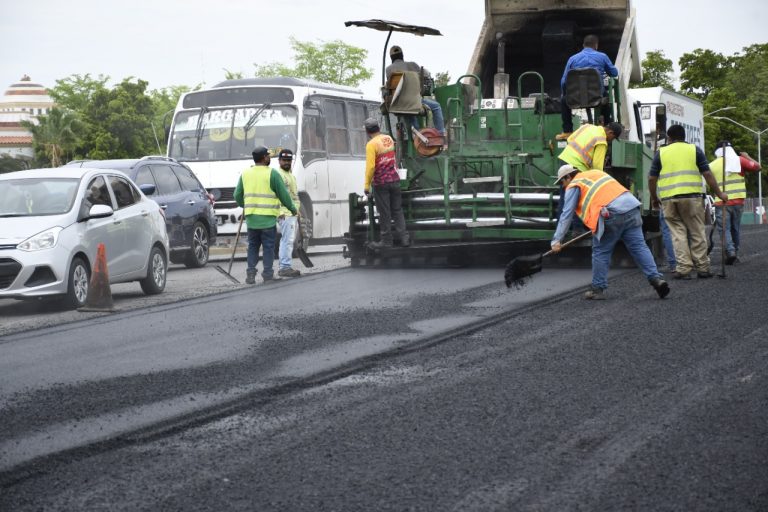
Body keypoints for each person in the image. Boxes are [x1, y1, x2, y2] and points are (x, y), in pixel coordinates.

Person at [551, 164, 670, 300]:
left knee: (601, 251)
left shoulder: (574, 184)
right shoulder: (595, 173)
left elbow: (566, 213)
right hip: (631, 208)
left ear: (568, 176)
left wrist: (557, 239)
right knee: (639, 247)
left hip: (611, 214)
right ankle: (656, 279)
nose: (563, 185)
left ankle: (597, 288)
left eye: (562, 181)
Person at [648, 125, 728, 280]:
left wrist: (654, 198)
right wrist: (720, 193)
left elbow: (652, 178)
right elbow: (707, 174)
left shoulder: (661, 153)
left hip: (669, 199)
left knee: (678, 234)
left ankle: (684, 269)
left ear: (669, 138)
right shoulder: (694, 150)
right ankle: (703, 268)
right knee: (697, 231)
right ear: (684, 137)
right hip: (692, 198)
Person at [234, 146, 297, 284]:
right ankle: (268, 274)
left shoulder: (245, 173)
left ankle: (250, 274)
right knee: (268, 247)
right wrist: (292, 209)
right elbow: (284, 195)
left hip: (251, 219)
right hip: (267, 219)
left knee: (253, 246)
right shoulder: (272, 174)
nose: (270, 158)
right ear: (264, 158)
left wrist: (245, 205)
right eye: (268, 156)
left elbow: (237, 195)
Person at [557, 34, 619, 140]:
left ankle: (567, 131)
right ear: (596, 45)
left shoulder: (572, 59)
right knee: (607, 99)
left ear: (583, 45)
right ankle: (606, 127)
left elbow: (563, 81)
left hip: (575, 98)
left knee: (563, 100)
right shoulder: (602, 56)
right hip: (597, 97)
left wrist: (566, 95)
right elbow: (614, 73)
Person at [364, 117, 410, 249]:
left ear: (367, 131)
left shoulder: (371, 145)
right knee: (397, 210)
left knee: (385, 212)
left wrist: (366, 186)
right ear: (378, 127)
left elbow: (371, 167)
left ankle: (386, 241)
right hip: (394, 179)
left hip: (381, 182)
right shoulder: (388, 139)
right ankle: (404, 238)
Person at [385, 45, 446, 136]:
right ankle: (440, 133)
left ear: (391, 58)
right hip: (414, 102)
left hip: (398, 103)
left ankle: (416, 136)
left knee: (409, 111)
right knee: (436, 106)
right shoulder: (413, 65)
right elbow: (426, 74)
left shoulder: (388, 69)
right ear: (402, 55)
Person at [708, 141, 752, 264]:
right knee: (735, 229)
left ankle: (730, 251)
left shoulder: (711, 165)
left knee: (724, 229)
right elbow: (757, 166)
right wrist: (746, 156)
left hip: (722, 202)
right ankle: (734, 253)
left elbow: (709, 185)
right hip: (738, 202)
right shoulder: (740, 161)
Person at [276, 149, 301, 278]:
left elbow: (293, 195)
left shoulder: (290, 175)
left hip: (291, 212)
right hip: (285, 213)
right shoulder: (279, 175)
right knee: (287, 240)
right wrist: (280, 211)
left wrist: (297, 210)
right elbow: (279, 196)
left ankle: (284, 266)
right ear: (279, 160)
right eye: (284, 160)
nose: (286, 162)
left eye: (289, 160)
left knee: (287, 240)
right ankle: (285, 267)